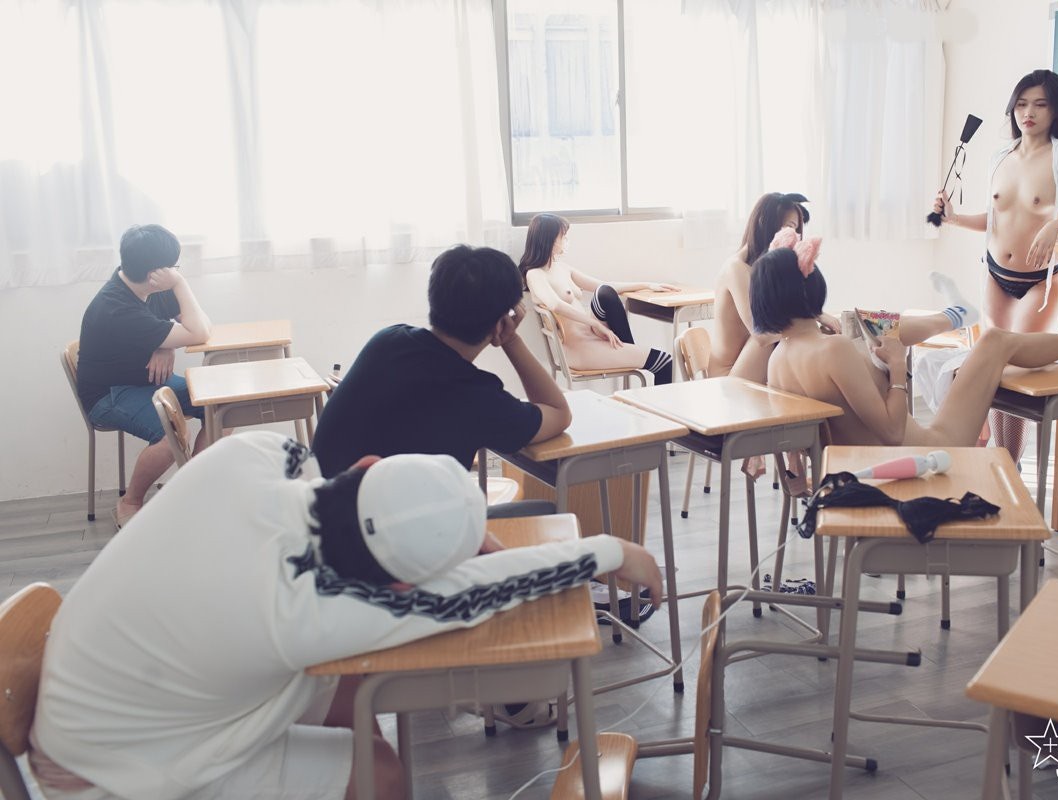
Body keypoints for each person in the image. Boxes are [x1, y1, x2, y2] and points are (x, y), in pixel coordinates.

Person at [30, 430, 663, 800]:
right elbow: (473, 594)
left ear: (365, 466)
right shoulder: (306, 610)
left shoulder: (253, 454)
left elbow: (308, 469)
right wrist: (610, 550)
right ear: (399, 584)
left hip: (94, 696)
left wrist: (420, 524)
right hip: (108, 774)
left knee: (352, 687)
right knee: (380, 774)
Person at [750, 243, 1058, 449]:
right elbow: (893, 433)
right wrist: (898, 369)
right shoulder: (833, 351)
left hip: (851, 475)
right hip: (925, 455)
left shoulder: (777, 359)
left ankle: (957, 313)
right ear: (811, 287)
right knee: (995, 340)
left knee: (870, 324)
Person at [931, 69, 1058, 461]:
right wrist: (953, 218)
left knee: (1015, 367)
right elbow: (995, 219)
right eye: (1021, 104)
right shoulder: (1000, 156)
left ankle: (1009, 463)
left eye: (1039, 104)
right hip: (995, 275)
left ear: (1056, 110)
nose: (1028, 113)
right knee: (994, 371)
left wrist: (1055, 224)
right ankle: (1000, 465)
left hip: (1040, 281)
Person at [311, 244, 571, 479]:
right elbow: (559, 412)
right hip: (391, 517)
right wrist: (511, 339)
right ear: (501, 323)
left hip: (320, 505)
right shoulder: (477, 398)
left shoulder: (387, 341)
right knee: (545, 508)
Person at [75, 224, 214, 528]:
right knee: (171, 437)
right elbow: (199, 333)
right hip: (109, 393)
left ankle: (194, 485)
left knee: (219, 407)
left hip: (145, 380)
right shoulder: (117, 308)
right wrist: (180, 283)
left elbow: (202, 323)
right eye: (172, 267)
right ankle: (129, 503)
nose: (174, 272)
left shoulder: (148, 289)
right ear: (155, 273)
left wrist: (165, 345)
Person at [519, 213, 677, 385]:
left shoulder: (562, 268)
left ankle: (629, 349)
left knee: (604, 291)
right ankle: (631, 352)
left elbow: (604, 285)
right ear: (548, 239)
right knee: (665, 362)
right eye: (562, 236)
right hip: (579, 348)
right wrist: (595, 324)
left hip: (595, 335)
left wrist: (647, 285)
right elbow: (555, 305)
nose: (566, 240)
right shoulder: (535, 274)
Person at [711, 192, 840, 382]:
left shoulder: (765, 271)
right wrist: (814, 318)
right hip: (729, 376)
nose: (794, 237)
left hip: (752, 363)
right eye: (789, 227)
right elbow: (762, 335)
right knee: (780, 332)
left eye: (796, 230)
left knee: (807, 336)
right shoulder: (736, 268)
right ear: (765, 223)